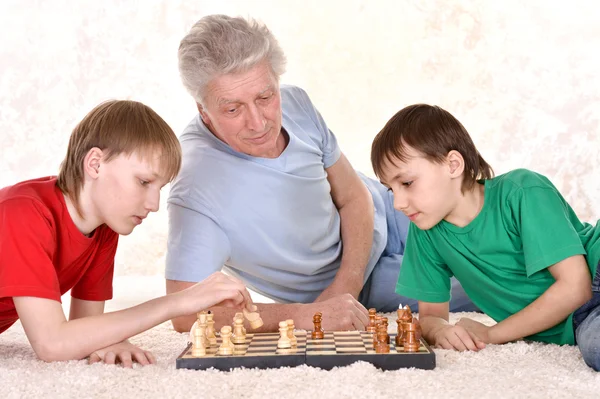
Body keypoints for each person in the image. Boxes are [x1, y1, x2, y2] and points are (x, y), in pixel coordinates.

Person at [166, 14, 477, 333]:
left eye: (266, 97)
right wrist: (305, 315)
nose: (259, 123)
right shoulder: (195, 186)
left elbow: (354, 197)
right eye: (233, 109)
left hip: (389, 209)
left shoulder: (296, 101)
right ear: (203, 109)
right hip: (371, 282)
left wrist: (347, 285)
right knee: (496, 279)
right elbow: (185, 312)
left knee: (498, 226)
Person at [0, 100, 254, 367]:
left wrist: (108, 336)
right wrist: (178, 302)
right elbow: (52, 343)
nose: (154, 204)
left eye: (159, 188)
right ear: (95, 164)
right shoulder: (23, 212)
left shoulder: (103, 228)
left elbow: (83, 325)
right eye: (144, 182)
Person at [370, 103, 600, 370]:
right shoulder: (426, 231)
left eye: (407, 183)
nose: (398, 203)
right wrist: (440, 331)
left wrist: (492, 334)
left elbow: (576, 287)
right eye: (391, 190)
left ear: (453, 165)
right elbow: (432, 316)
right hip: (582, 320)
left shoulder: (521, 191)